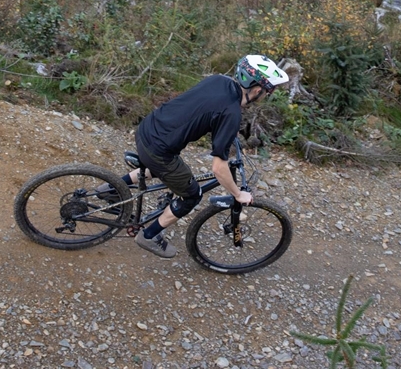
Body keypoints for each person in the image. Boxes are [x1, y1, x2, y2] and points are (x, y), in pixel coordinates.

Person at [108, 54, 289, 258]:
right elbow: (219, 169)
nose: (265, 95)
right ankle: (149, 236)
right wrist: (238, 194)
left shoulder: (219, 80)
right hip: (159, 150)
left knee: (166, 168)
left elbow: (201, 109)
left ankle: (110, 189)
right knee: (192, 195)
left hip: (148, 129)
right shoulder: (231, 113)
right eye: (267, 92)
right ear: (257, 90)